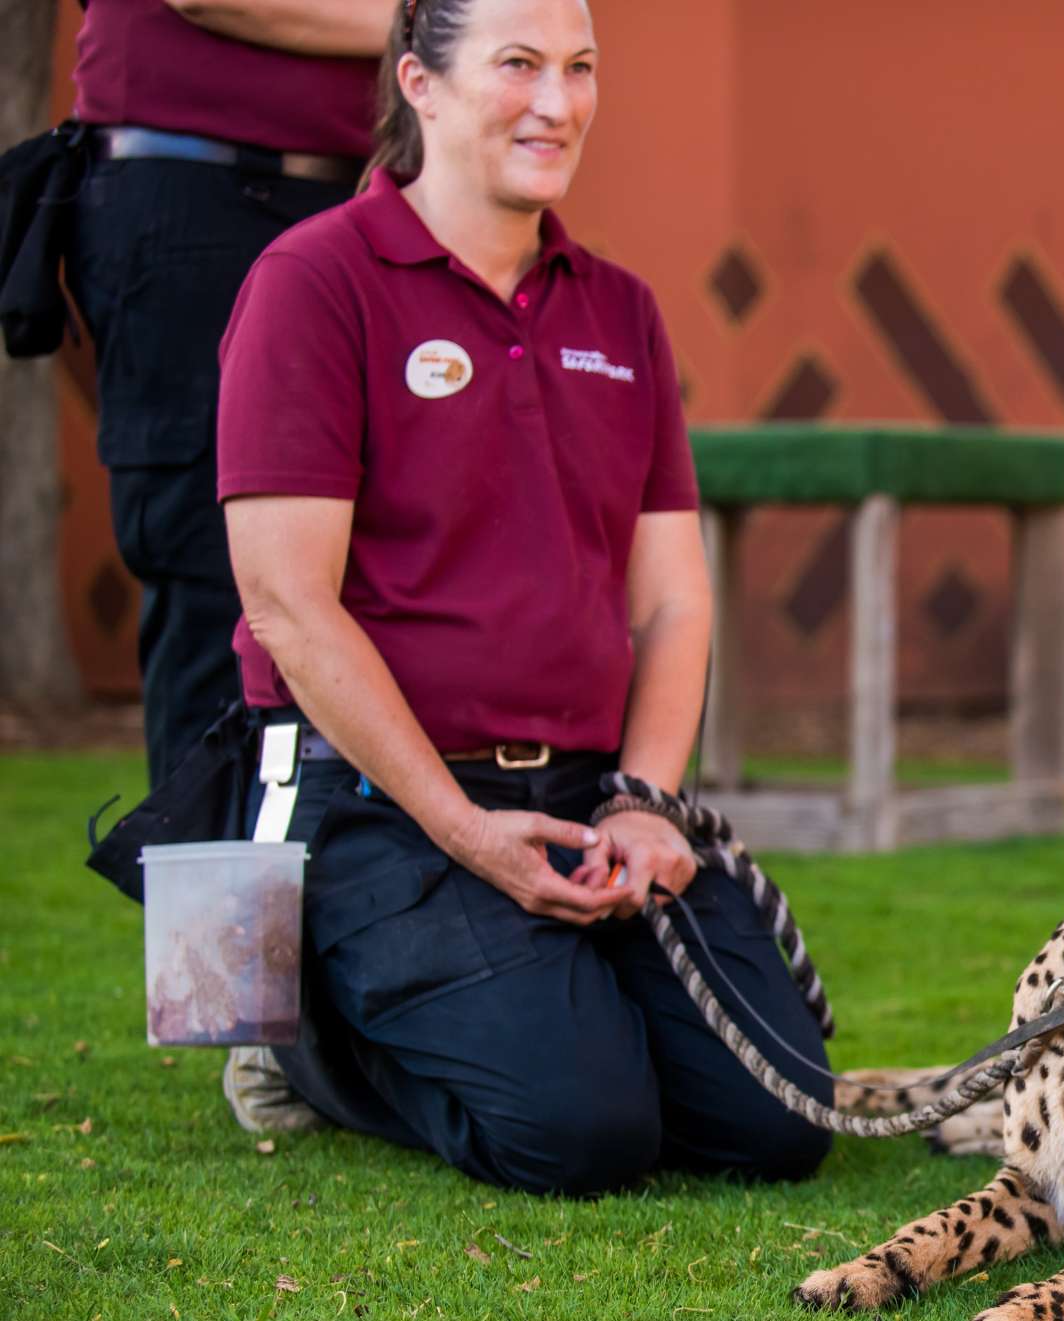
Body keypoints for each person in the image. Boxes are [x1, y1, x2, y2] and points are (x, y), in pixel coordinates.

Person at [213, 0, 836, 1193]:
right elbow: (288, 607)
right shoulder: (314, 282)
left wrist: (649, 806)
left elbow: (672, 604)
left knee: (780, 1121)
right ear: (422, 84)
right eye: (518, 66)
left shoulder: (621, 312)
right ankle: (302, 1050)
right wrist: (461, 829)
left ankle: (553, 1000)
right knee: (579, 1133)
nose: (558, 104)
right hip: (377, 805)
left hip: (587, 795)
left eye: (580, 69)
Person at [65, 0, 388, 787]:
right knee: (221, 584)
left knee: (381, 572)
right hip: (196, 197)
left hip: (365, 198)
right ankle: (209, 909)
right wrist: (440, 21)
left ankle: (354, 899)